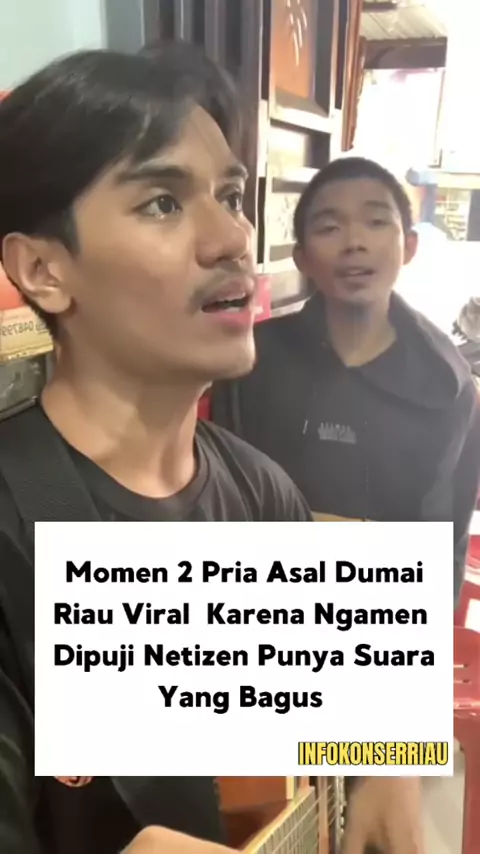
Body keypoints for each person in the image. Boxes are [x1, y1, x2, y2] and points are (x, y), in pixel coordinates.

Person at [0, 47, 424, 853]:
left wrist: (385, 759)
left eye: (230, 196)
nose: (233, 237)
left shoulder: (260, 492)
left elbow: (340, 693)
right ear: (45, 271)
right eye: (162, 202)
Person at [211, 156, 480, 609]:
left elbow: (443, 545)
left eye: (376, 222)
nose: (355, 242)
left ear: (409, 246)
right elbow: (222, 507)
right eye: (330, 228)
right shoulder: (250, 361)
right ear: (301, 257)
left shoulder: (446, 385)